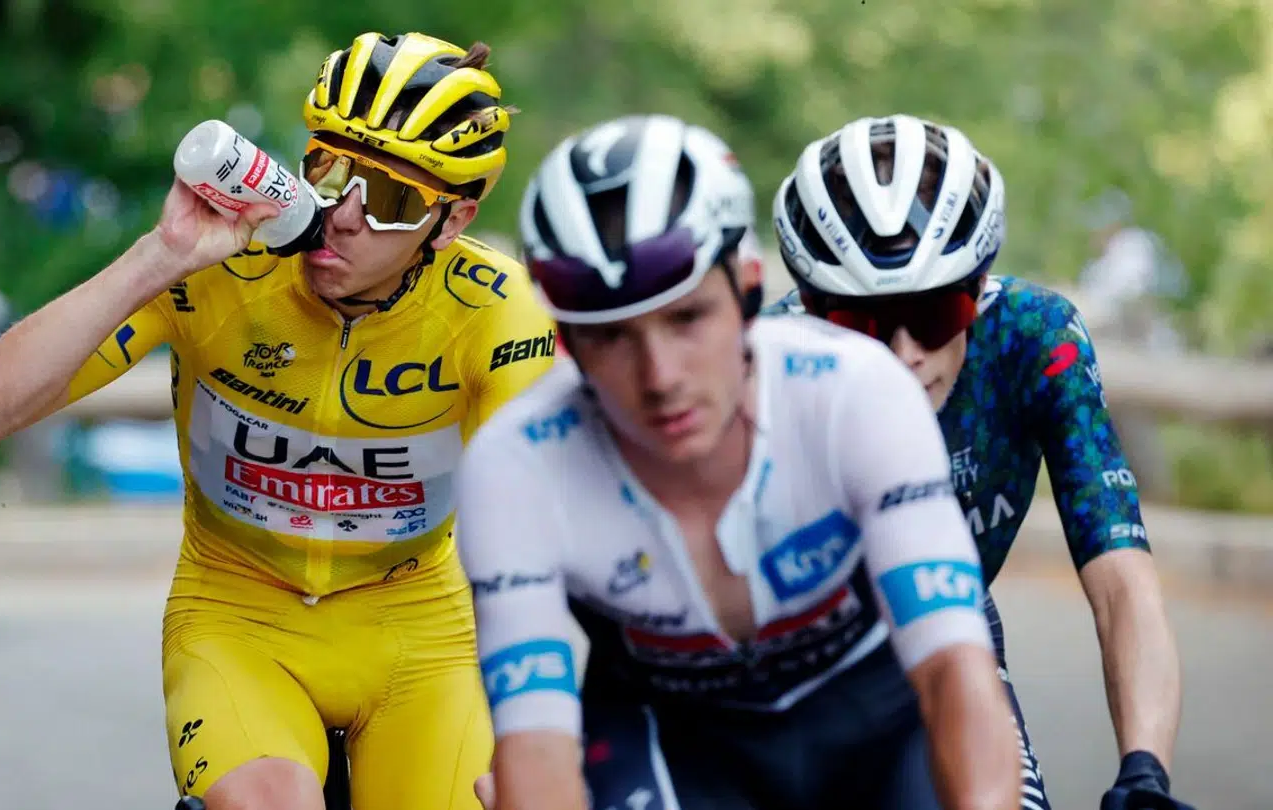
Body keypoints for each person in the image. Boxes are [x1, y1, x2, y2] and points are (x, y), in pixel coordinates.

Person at [0, 31, 556, 810]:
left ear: (451, 221)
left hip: (421, 637)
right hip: (238, 616)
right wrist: (161, 255)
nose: (345, 215)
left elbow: (538, 525)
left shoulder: (497, 311)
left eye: (393, 200)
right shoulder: (218, 269)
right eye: (330, 171)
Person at [456, 113, 1021, 810]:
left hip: (876, 720)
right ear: (566, 339)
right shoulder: (515, 465)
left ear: (749, 289)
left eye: (686, 318)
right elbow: (535, 748)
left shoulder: (856, 393)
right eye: (611, 337)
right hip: (673, 739)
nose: (660, 377)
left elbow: (954, 670)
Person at [762, 114, 1192, 810]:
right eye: (861, 323)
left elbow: (1122, 581)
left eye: (934, 314)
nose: (904, 354)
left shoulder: (1032, 337)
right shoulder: (768, 362)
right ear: (813, 309)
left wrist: (1144, 774)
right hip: (778, 668)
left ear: (979, 284)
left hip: (949, 631)